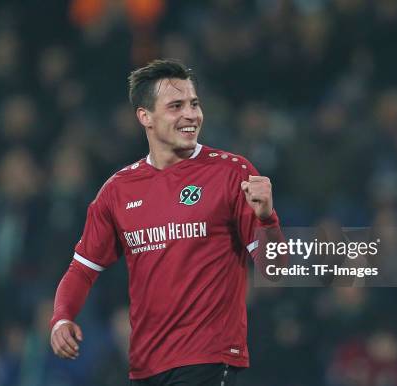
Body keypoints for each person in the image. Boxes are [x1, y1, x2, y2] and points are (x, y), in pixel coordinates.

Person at [49, 59, 285, 386]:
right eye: (176, 106)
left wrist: (266, 218)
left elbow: (275, 270)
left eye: (194, 104)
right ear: (145, 116)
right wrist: (61, 318)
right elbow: (83, 269)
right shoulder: (117, 190)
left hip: (210, 358)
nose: (191, 115)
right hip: (145, 366)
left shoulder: (232, 173)